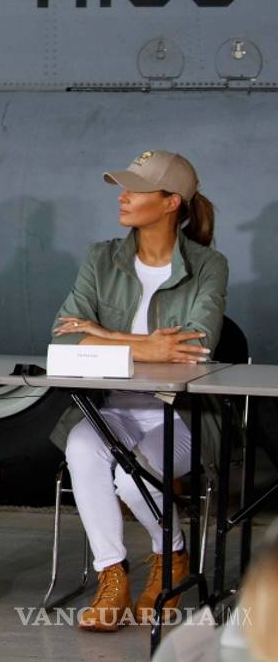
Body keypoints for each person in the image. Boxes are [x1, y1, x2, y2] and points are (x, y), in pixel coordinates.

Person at [52, 149, 226, 632]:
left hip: (182, 416)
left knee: (132, 479)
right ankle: (113, 575)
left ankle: (171, 560)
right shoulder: (101, 257)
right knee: (82, 445)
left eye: (136, 188)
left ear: (172, 202)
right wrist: (146, 345)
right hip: (112, 409)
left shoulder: (209, 265)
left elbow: (196, 347)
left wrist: (104, 336)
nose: (123, 196)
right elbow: (62, 336)